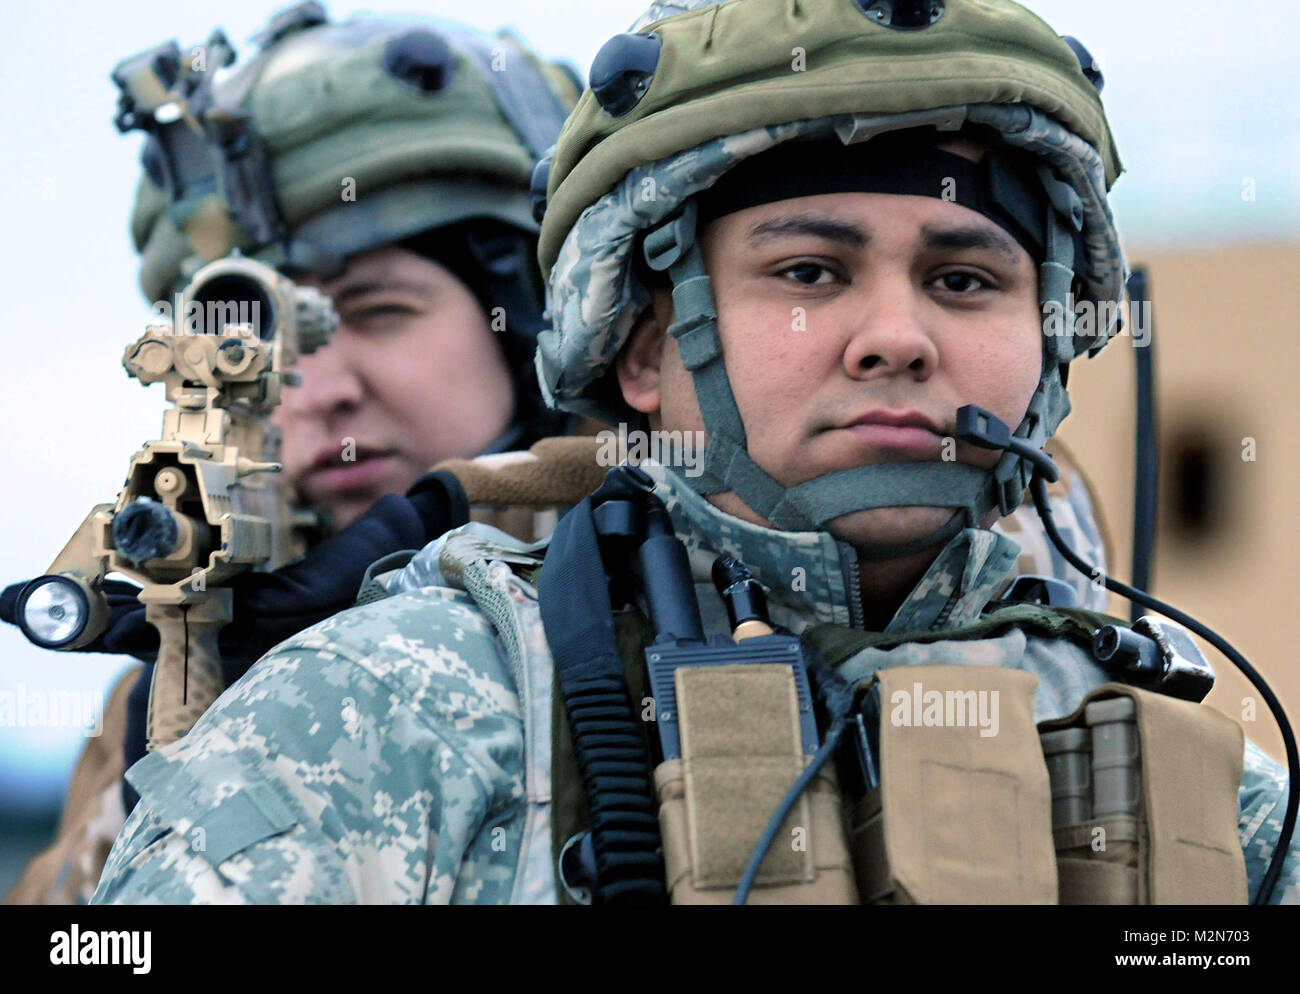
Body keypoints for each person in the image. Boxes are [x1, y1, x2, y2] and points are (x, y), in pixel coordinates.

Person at [88, 0, 1241, 906]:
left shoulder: (1172, 727)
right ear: (641, 349)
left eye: (964, 280)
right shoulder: (394, 711)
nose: (896, 338)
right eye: (808, 274)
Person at [3, 2, 581, 904]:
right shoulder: (178, 669)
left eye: (380, 310)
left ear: (532, 321)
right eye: (251, 347)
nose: (316, 389)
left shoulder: (671, 574)